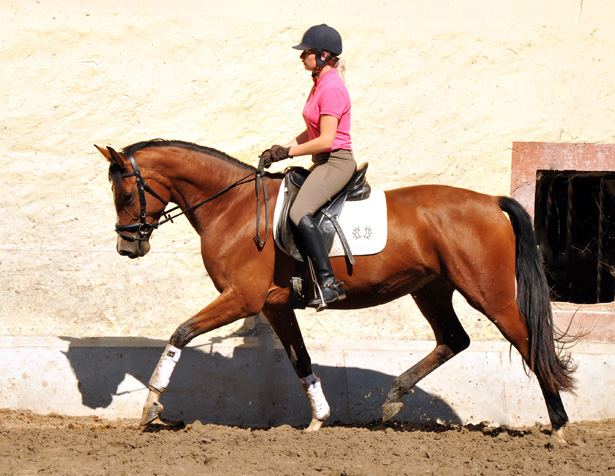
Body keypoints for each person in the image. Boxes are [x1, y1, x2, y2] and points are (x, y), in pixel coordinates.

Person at [260, 24, 357, 309]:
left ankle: (328, 283)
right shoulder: (319, 85)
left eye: (307, 53)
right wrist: (280, 149)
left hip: (336, 161)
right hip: (324, 160)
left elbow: (326, 140)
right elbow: (313, 131)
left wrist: (289, 152)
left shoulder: (332, 88)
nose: (302, 57)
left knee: (300, 211)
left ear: (324, 55)